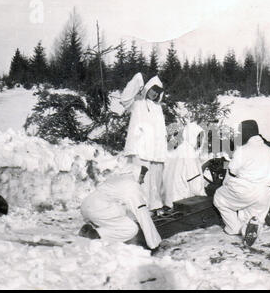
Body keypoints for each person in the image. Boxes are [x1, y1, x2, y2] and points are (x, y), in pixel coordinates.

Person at [213, 120, 270, 246]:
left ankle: (233, 228)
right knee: (250, 216)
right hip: (264, 193)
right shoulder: (269, 150)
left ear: (246, 133)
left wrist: (227, 164)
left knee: (219, 197)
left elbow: (232, 169)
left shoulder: (243, 150)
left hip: (245, 190)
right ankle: (248, 228)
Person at [78, 157, 161, 250]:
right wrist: (154, 243)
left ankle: (91, 228)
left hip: (88, 206)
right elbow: (142, 214)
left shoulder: (120, 179)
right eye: (142, 177)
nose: (143, 181)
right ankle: (95, 235)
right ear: (137, 174)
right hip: (98, 209)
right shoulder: (131, 186)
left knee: (122, 213)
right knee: (131, 228)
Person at [122, 73, 167, 211]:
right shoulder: (137, 103)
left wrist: (161, 148)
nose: (154, 94)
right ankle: (140, 207)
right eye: (153, 90)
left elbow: (160, 131)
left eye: (157, 92)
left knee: (155, 179)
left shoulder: (158, 108)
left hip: (155, 150)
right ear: (147, 88)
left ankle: (154, 205)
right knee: (141, 178)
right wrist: (138, 80)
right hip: (140, 148)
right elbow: (125, 99)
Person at [163, 122, 207, 208]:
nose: (200, 141)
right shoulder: (190, 153)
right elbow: (195, 185)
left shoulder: (179, 150)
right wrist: (204, 196)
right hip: (182, 200)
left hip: (169, 198)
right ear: (191, 136)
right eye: (198, 138)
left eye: (201, 138)